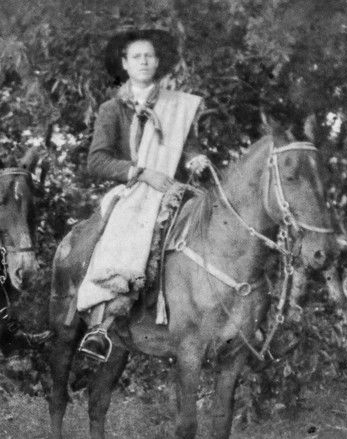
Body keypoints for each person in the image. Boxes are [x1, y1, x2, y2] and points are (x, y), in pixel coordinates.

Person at [77, 28, 211, 361]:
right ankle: (102, 324)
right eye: (136, 56)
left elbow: (188, 147)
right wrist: (139, 172)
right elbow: (97, 160)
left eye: (149, 56)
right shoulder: (112, 109)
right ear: (125, 63)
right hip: (134, 189)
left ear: (158, 62)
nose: (143, 61)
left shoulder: (177, 107)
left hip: (171, 189)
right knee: (126, 228)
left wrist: (196, 157)